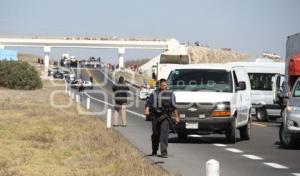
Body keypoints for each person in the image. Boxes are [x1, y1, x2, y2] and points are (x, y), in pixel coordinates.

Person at [144, 78, 180, 158]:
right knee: (156, 134)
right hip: (155, 116)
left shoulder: (171, 94)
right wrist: (146, 110)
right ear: (159, 85)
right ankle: (154, 150)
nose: (164, 87)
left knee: (164, 134)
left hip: (165, 116)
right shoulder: (155, 93)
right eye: (162, 85)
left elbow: (174, 107)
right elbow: (148, 103)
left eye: (165, 85)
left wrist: (177, 117)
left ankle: (164, 152)